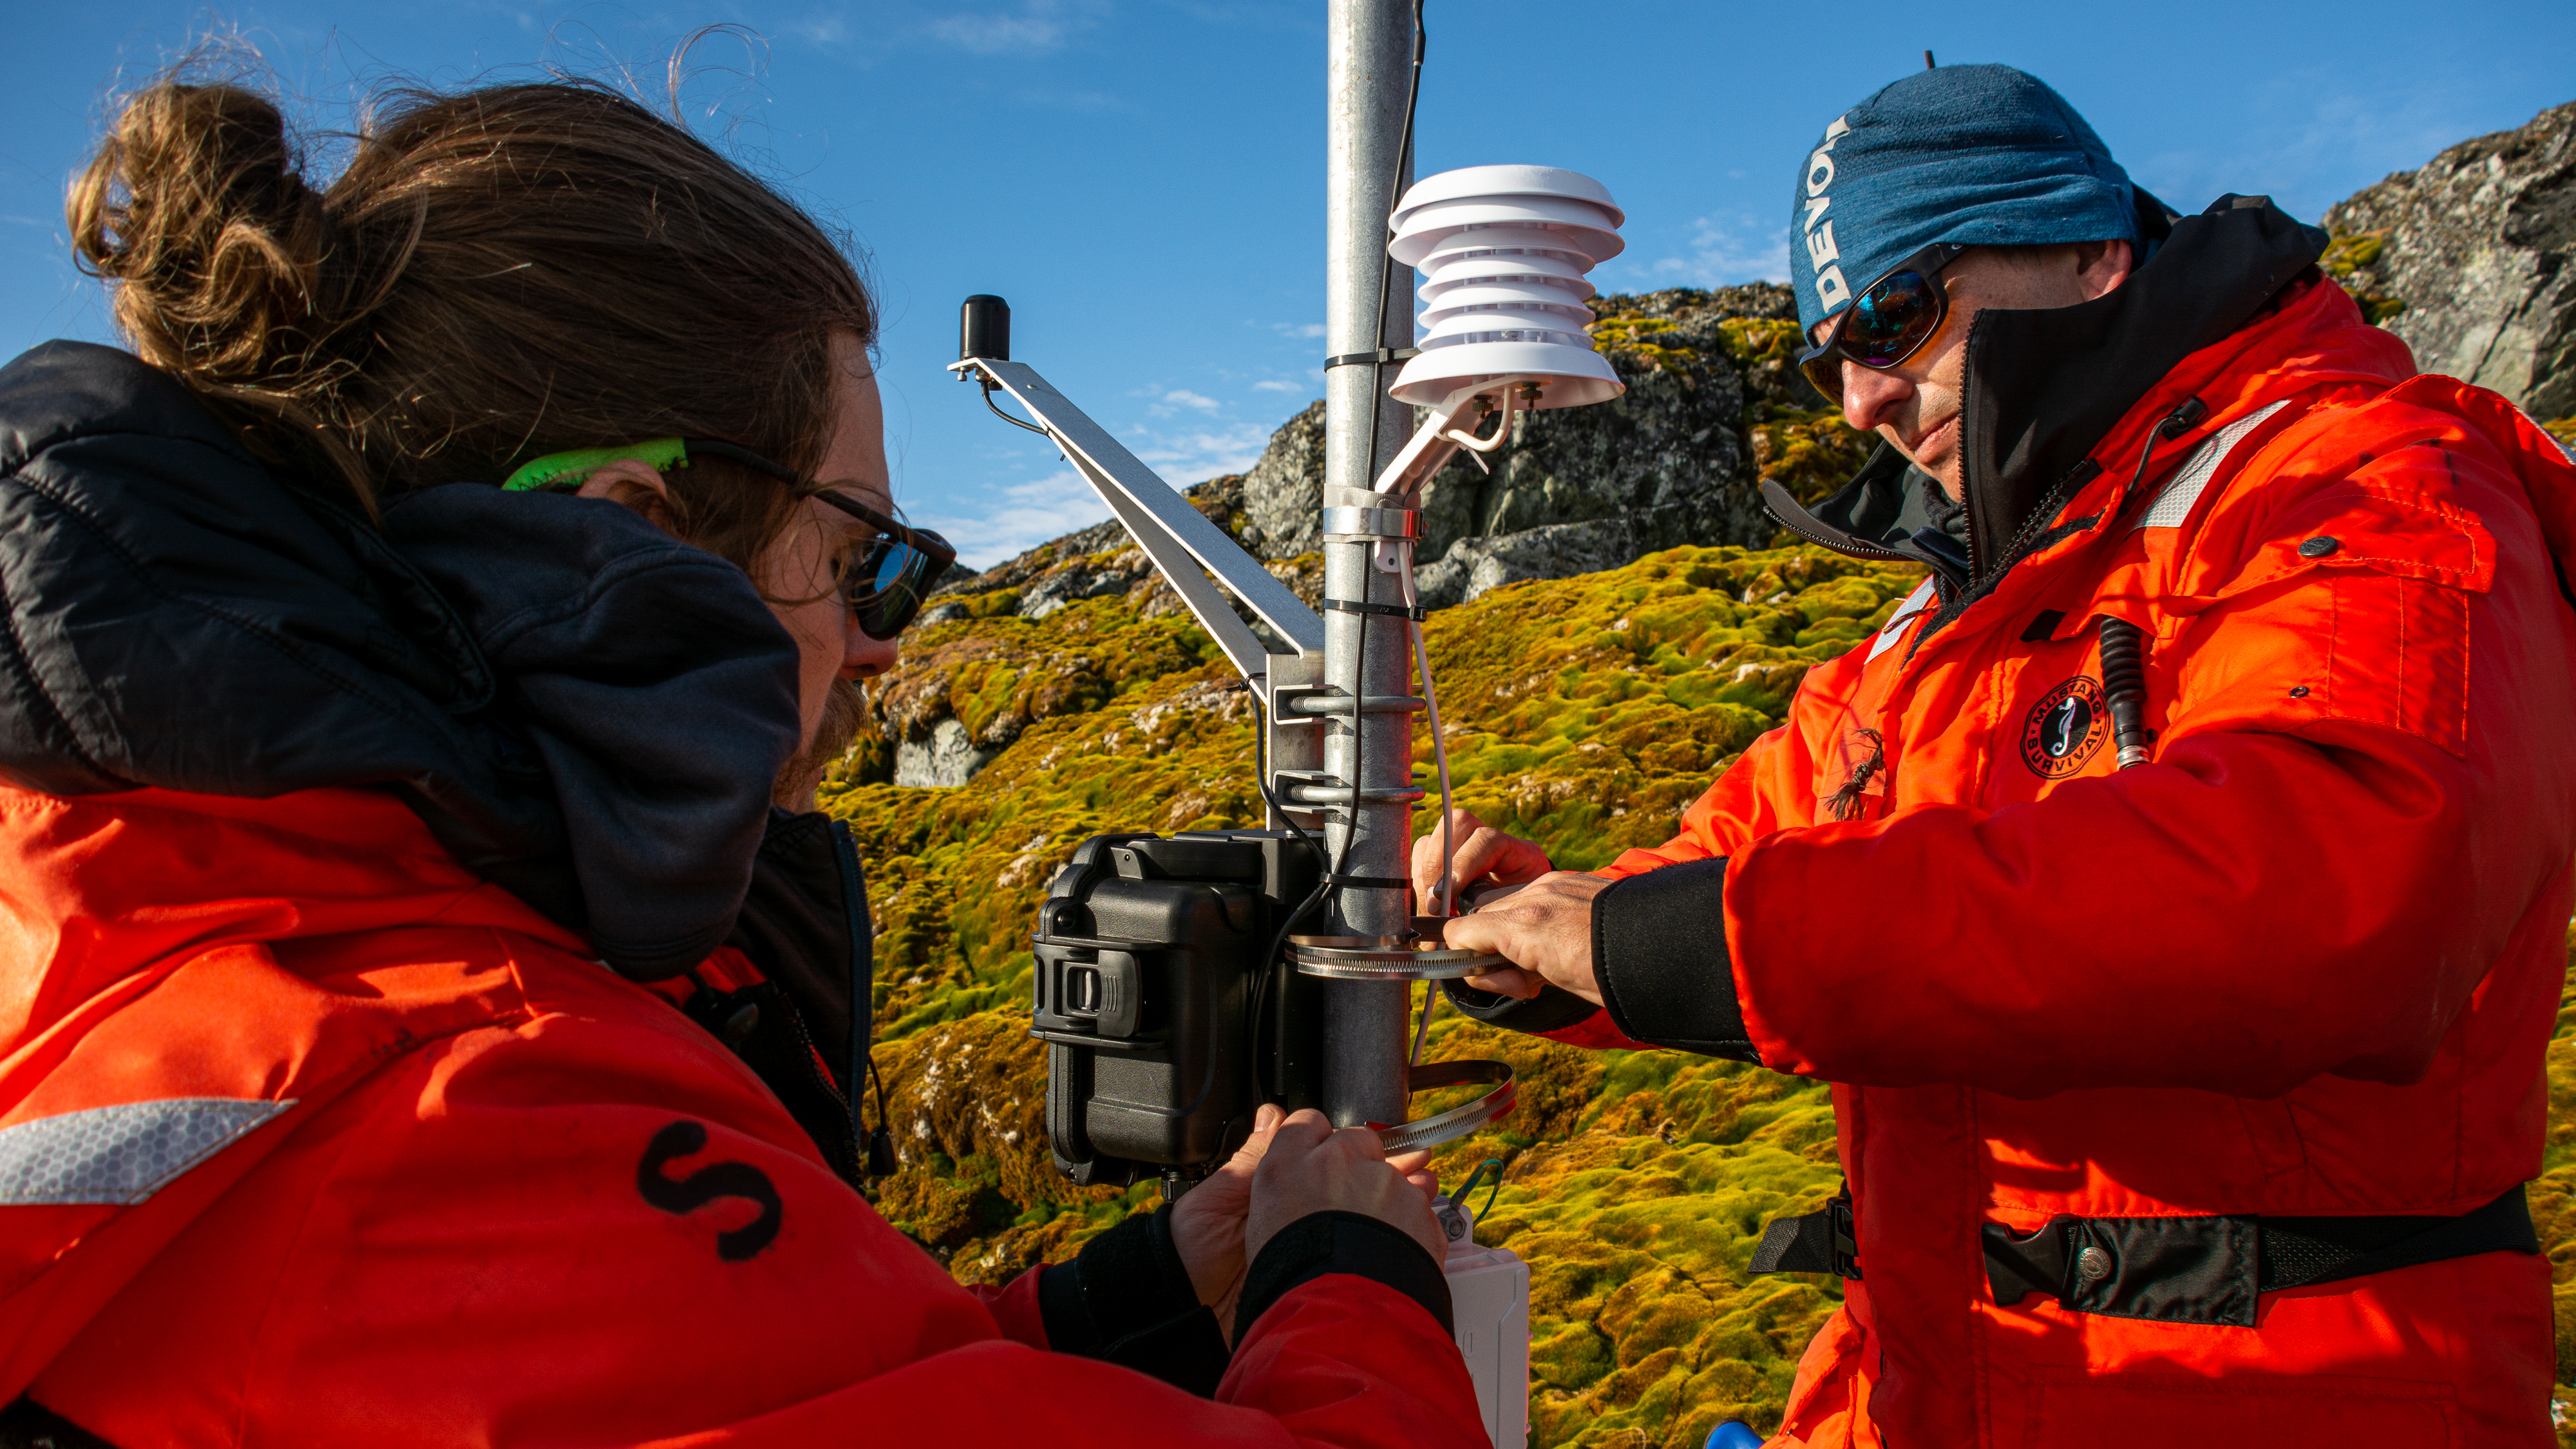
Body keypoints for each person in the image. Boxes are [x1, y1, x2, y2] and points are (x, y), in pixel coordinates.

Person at [0, 73, 1484, 1448]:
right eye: (862, 559)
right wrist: (1347, 1275)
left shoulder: (167, 932)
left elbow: (749, 1382)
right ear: (632, 537)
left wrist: (1143, 1288)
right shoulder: (476, 1103)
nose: (882, 644)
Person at [1417, 64, 2576, 1446]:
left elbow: (2330, 889)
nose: (1856, 399)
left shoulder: (2366, 480)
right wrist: (1528, 941)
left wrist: (1670, 935)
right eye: (1822, 358)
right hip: (1922, 1385)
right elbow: (1729, 875)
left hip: (2276, 1405)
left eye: (1892, 318)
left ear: (2085, 251)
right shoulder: (1937, 620)